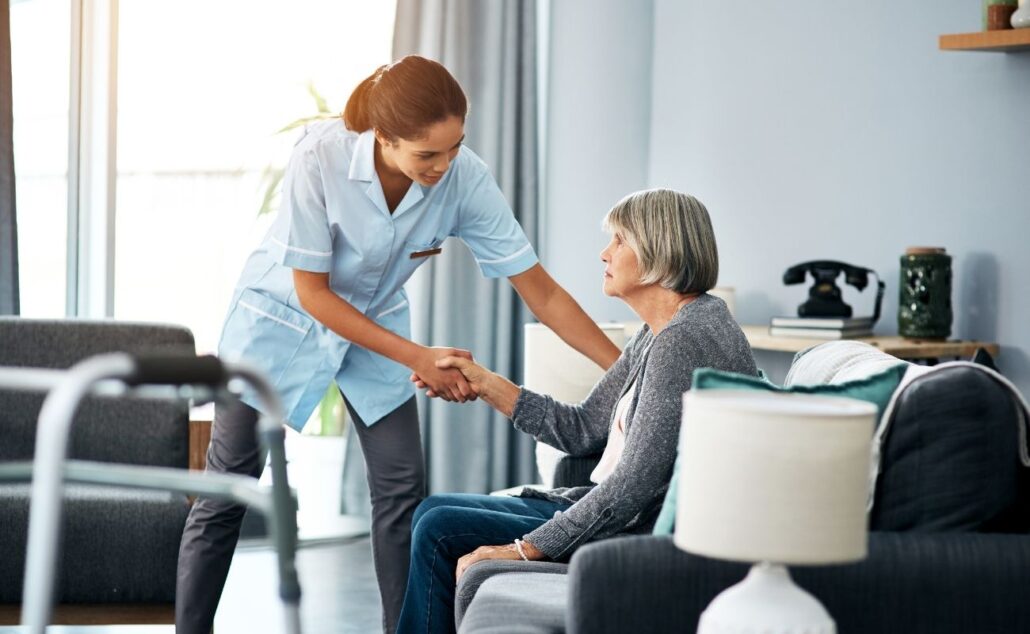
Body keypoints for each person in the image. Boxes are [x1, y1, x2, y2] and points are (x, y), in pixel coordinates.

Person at [175, 55, 620, 634]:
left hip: (375, 324)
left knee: (401, 486)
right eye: (428, 155)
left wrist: (629, 365)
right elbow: (313, 293)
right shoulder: (320, 155)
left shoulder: (463, 176)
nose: (445, 165)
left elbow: (541, 291)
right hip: (282, 321)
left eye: (456, 146)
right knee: (228, 486)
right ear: (382, 138)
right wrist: (419, 357)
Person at [396, 189, 758, 634]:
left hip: (633, 533)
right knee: (432, 512)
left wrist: (530, 548)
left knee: (439, 528)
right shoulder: (659, 332)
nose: (605, 253)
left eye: (620, 240)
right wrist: (487, 383)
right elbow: (583, 429)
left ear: (660, 249)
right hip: (608, 512)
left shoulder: (683, 340)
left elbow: (635, 483)